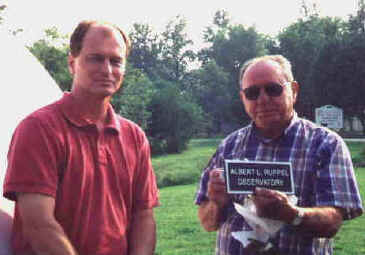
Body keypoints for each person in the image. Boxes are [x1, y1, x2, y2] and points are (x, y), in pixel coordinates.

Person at [3, 20, 159, 255]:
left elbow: (143, 215)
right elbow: (38, 223)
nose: (107, 70)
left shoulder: (134, 137)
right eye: (96, 58)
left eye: (116, 61)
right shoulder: (38, 129)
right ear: (72, 63)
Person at [195, 55, 363, 255]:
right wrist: (216, 203)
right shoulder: (228, 147)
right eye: (252, 93)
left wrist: (292, 214)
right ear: (243, 98)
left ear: (294, 90)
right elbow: (207, 223)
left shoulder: (326, 144)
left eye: (273, 89)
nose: (263, 99)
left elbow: (334, 221)